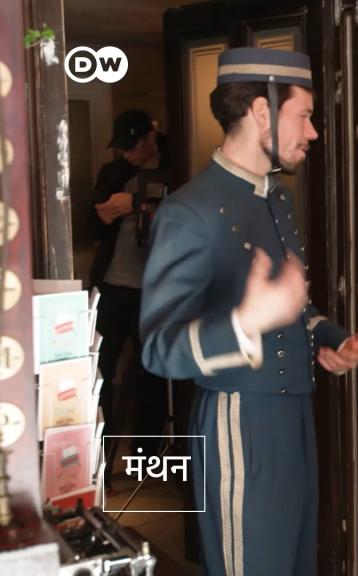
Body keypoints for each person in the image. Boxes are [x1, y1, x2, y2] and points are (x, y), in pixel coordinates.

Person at [139, 48, 358, 575]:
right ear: (262, 111)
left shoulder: (277, 199)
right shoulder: (189, 211)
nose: (312, 132)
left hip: (295, 417)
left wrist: (330, 337)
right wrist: (246, 323)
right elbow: (158, 348)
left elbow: (288, 306)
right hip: (238, 420)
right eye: (304, 115)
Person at [89, 109, 168, 487]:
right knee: (101, 371)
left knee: (152, 374)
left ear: (150, 139)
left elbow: (179, 203)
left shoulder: (174, 165)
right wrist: (105, 214)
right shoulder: (112, 172)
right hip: (113, 285)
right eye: (122, 148)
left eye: (132, 147)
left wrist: (137, 202)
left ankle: (146, 460)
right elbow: (90, 222)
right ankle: (99, 461)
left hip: (156, 289)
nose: (127, 154)